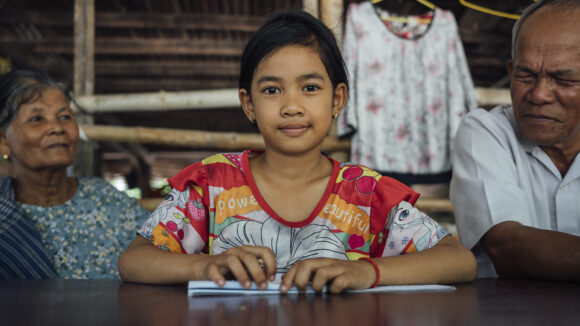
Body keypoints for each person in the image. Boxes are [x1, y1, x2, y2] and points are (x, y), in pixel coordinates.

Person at [118, 10, 476, 293]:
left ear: (337, 99)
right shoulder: (212, 184)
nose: (292, 106)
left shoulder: (367, 193)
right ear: (249, 104)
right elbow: (134, 260)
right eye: (272, 91)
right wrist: (203, 265)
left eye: (309, 87)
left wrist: (366, 271)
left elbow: (459, 260)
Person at [450, 0, 580, 280]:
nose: (539, 94)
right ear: (510, 71)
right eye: (525, 75)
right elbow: (507, 246)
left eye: (563, 80)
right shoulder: (485, 131)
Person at [0, 69, 150, 279]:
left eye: (64, 116)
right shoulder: (5, 217)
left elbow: (160, 248)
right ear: (3, 141)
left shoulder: (104, 198)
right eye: (36, 118)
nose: (56, 127)